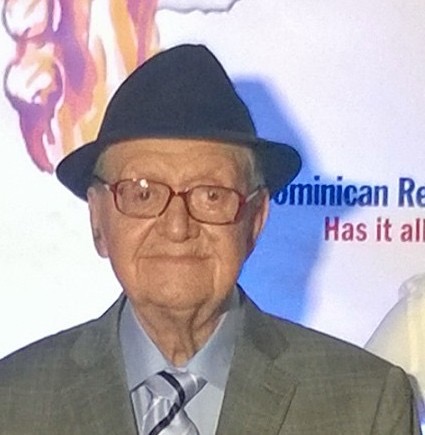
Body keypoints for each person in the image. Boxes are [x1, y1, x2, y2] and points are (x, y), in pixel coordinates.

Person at [0, 44, 420, 434]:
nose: (177, 227)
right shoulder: (13, 401)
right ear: (98, 220)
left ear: (255, 219)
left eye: (212, 195)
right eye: (143, 193)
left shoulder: (366, 404)